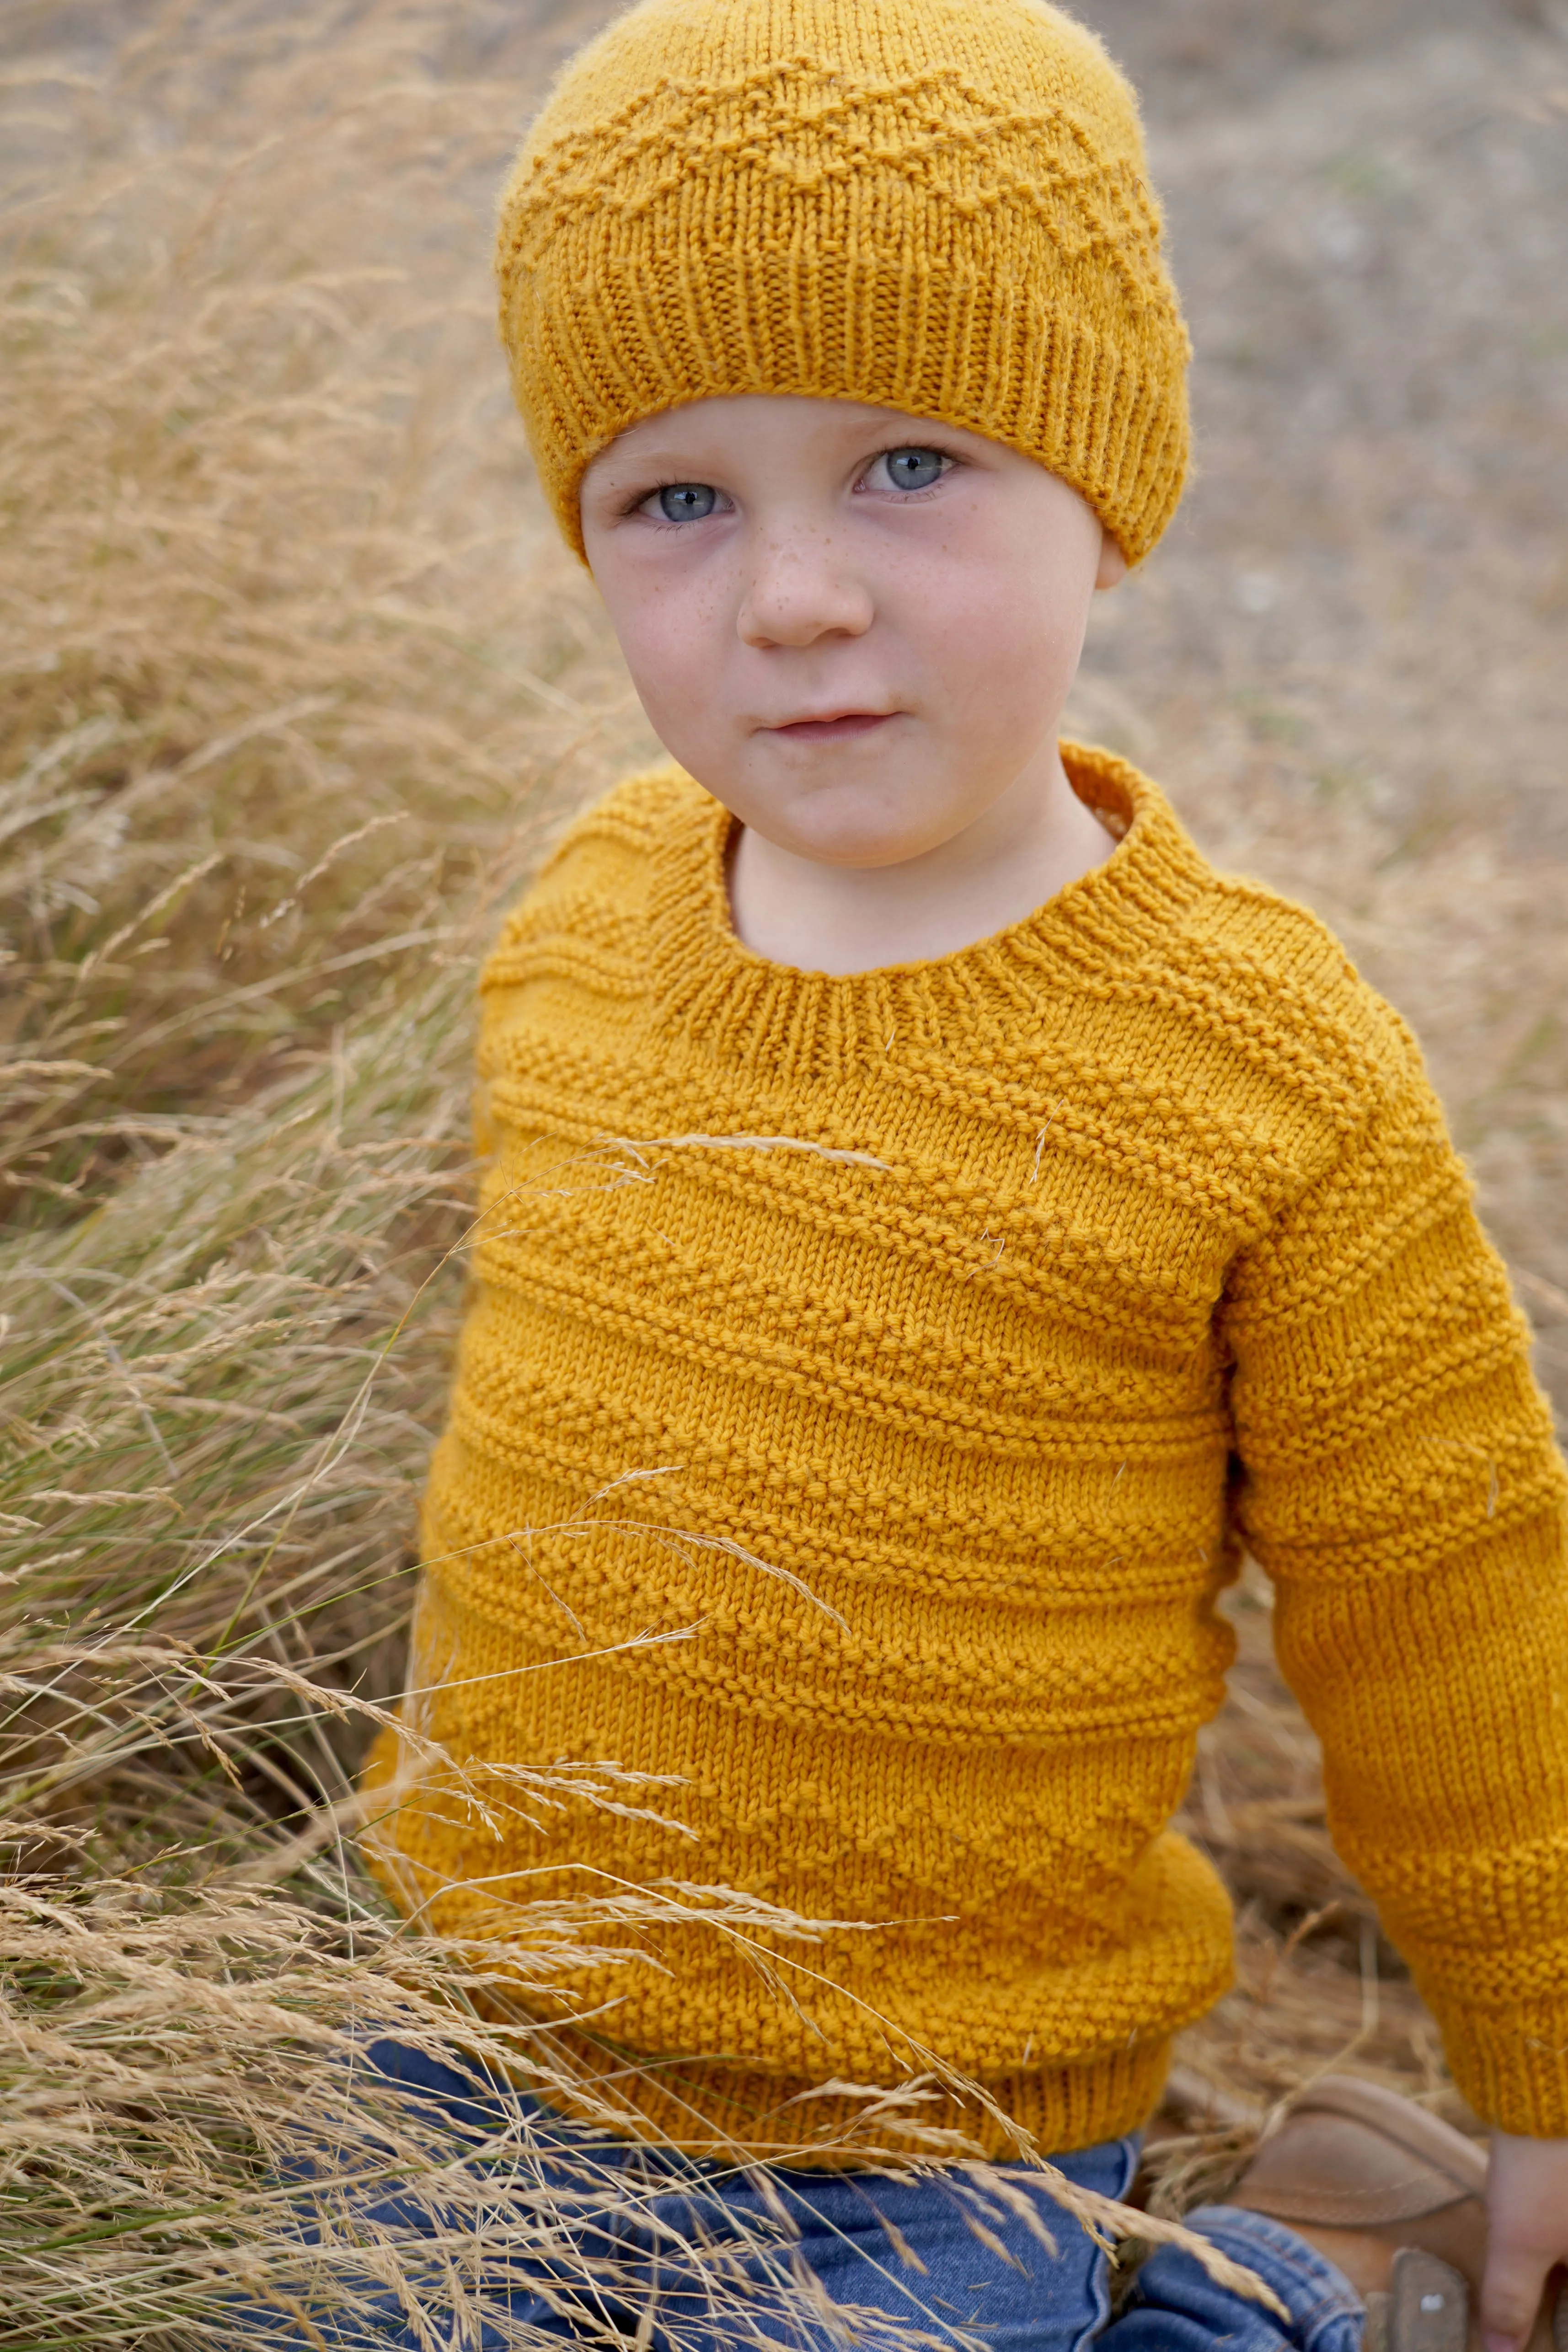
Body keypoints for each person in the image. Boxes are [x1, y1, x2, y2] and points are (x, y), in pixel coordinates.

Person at [353, 0, 1568, 2345]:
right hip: (469, 2059)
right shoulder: (588, 915)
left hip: (939, 2126)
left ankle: (1299, 2275)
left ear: (1106, 475)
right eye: (673, 499)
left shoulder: (1251, 1065)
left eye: (908, 463)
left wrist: (1543, 2067)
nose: (792, 596)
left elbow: (1444, 1605)